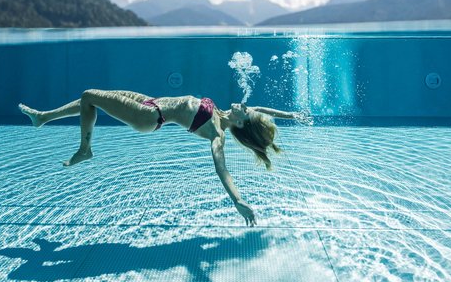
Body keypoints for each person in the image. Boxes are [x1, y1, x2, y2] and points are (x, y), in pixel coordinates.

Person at [19, 90, 302, 226]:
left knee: (89, 95)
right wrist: (288, 115)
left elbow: (222, 170)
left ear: (241, 124)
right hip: (151, 102)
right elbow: (261, 109)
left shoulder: (218, 132)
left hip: (149, 116)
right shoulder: (226, 115)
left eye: (245, 111)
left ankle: (84, 149)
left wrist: (237, 200)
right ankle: (43, 118)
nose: (243, 104)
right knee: (89, 100)